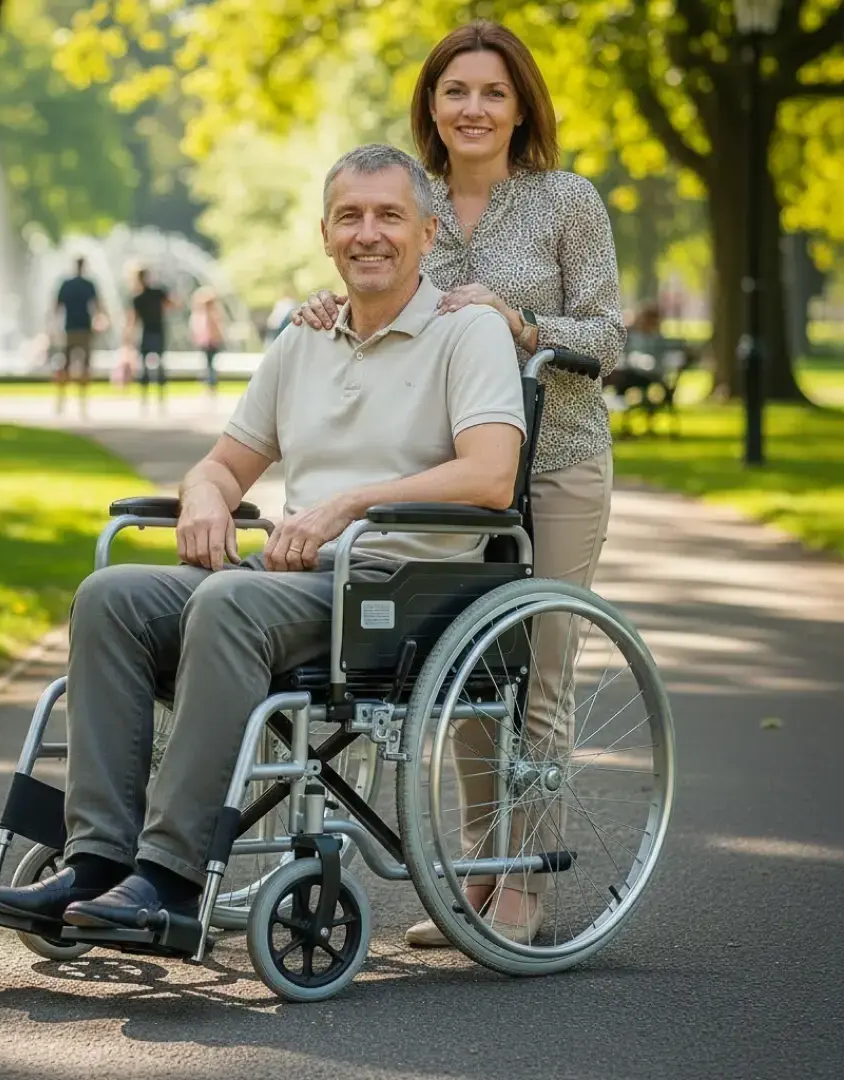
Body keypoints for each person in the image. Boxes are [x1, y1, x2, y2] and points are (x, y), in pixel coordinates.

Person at [0, 143, 526, 931]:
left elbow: (490, 476)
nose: (369, 233)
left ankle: (168, 880)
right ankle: (94, 863)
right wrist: (203, 497)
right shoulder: (303, 338)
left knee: (229, 601)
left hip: (393, 594)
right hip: (289, 579)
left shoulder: (466, 331)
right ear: (326, 235)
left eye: (390, 216)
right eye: (350, 217)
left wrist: (349, 506)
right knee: (111, 596)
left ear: (428, 234)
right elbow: (224, 466)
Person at [293, 21, 625, 947]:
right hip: (448, 470)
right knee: (469, 677)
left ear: (521, 106)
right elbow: (373, 280)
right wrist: (321, 303)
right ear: (431, 107)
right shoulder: (407, 197)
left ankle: (525, 886)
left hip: (554, 463)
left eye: (492, 92)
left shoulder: (566, 201)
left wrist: (522, 323)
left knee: (540, 671)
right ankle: (480, 876)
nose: (472, 108)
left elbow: (608, 337)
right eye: (455, 92)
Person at [55, 257, 102, 415]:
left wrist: (53, 328)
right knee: (85, 366)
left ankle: (61, 400)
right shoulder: (89, 285)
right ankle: (83, 402)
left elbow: (57, 307)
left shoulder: (66, 285)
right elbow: (97, 306)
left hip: (70, 329)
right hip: (84, 328)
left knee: (66, 364)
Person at [127, 268, 173, 404]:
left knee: (144, 365)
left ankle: (144, 397)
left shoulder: (138, 297)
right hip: (158, 330)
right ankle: (161, 396)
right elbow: (171, 304)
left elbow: (133, 320)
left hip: (145, 331)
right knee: (160, 363)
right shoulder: (157, 292)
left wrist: (128, 336)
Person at [189, 285, 225, 393]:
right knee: (209, 364)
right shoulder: (207, 314)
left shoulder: (208, 314)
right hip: (208, 342)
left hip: (209, 342)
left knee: (209, 364)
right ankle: (210, 385)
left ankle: (211, 385)